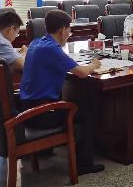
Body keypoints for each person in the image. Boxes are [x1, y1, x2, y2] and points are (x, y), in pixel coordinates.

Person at [19, 10, 103, 175]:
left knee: (79, 104)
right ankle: (84, 164)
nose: (69, 34)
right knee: (87, 112)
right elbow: (82, 73)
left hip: (26, 108)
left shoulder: (36, 43)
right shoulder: (52, 49)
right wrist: (94, 64)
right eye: (69, 30)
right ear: (63, 30)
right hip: (41, 114)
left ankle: (53, 149)